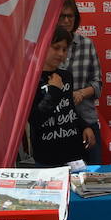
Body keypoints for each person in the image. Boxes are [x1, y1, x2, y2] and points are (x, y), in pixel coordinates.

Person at [28, 25, 94, 167]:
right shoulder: (32, 81)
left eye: (64, 49)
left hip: (74, 152)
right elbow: (35, 119)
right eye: (56, 48)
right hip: (47, 157)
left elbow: (69, 109)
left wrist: (84, 126)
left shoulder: (66, 76)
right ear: (42, 47)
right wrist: (54, 91)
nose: (61, 54)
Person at [61, 0, 103, 164]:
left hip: (87, 119)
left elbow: (98, 83)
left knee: (93, 177)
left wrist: (81, 93)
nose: (66, 20)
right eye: (62, 16)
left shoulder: (87, 44)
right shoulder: (44, 48)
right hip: (59, 125)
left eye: (70, 16)